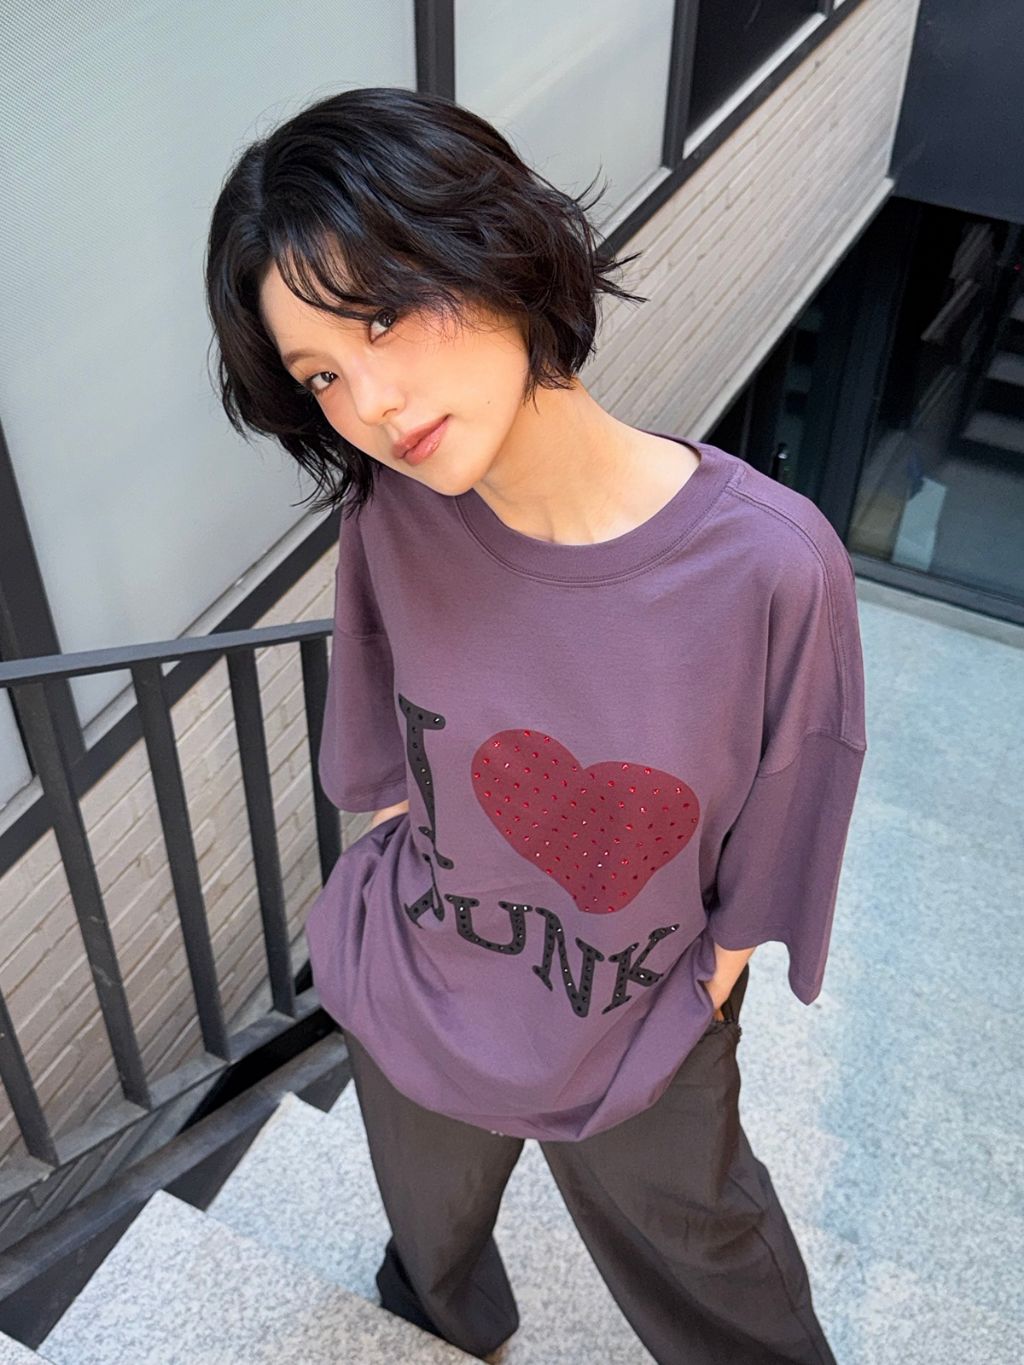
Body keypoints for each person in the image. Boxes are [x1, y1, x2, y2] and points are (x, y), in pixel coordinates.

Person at [204, 85, 867, 1365]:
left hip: (636, 1022)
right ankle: (445, 1324)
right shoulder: (390, 519)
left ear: (496, 251)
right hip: (420, 987)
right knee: (430, 1233)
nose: (370, 401)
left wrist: (685, 1003)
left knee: (713, 1271)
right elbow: (387, 766)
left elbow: (775, 851)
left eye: (383, 314)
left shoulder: (772, 569)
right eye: (321, 375)